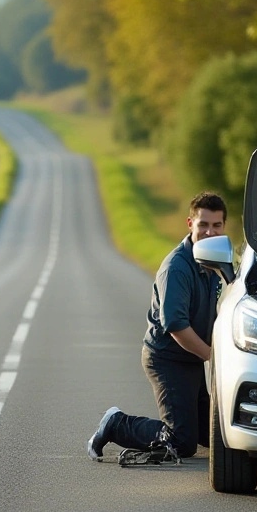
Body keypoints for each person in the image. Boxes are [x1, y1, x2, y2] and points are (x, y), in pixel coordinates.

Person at [87, 191, 227, 461]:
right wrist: (214, 358)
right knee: (182, 443)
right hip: (168, 359)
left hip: (192, 359)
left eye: (216, 225)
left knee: (219, 434)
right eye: (203, 225)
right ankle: (115, 423)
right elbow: (176, 326)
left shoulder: (214, 262)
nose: (210, 232)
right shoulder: (177, 268)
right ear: (190, 224)